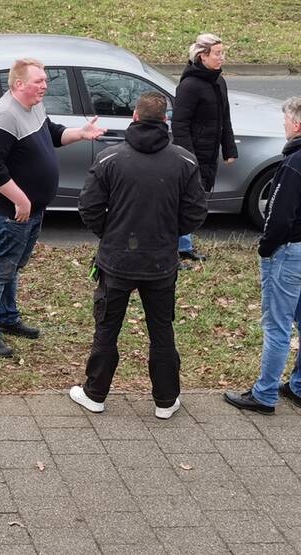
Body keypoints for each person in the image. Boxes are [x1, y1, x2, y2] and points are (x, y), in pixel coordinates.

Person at [70, 92, 207, 419]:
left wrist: (111, 233)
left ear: (134, 117)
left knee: (107, 328)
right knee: (162, 330)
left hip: (116, 262)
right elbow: (196, 212)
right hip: (161, 264)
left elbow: (88, 207)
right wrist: (169, 233)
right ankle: (165, 400)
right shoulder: (184, 162)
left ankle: (95, 394)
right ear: (165, 121)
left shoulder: (109, 159)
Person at [0, 58, 106, 357]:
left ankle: (8, 319)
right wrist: (20, 200)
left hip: (33, 209)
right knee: (0, 269)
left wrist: (80, 133)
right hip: (11, 212)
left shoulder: (34, 106)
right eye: (39, 81)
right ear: (19, 84)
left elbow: (50, 132)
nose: (46, 86)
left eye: (46, 80)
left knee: (13, 266)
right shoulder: (3, 118)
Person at [225, 97, 301, 415]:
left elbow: (278, 213)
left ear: (297, 125)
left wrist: (266, 247)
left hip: (288, 253)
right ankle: (298, 386)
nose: (283, 125)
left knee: (277, 325)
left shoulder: (294, 163)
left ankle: (265, 393)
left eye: (285, 120)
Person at [172, 33, 237, 266]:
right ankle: (174, 250)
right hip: (193, 156)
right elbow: (179, 124)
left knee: (195, 200)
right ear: (202, 56)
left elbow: (224, 118)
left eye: (222, 52)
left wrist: (229, 149)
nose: (222, 58)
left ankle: (184, 246)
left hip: (209, 154)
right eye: (218, 53)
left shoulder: (219, 82)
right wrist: (189, 158)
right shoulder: (189, 86)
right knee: (184, 203)